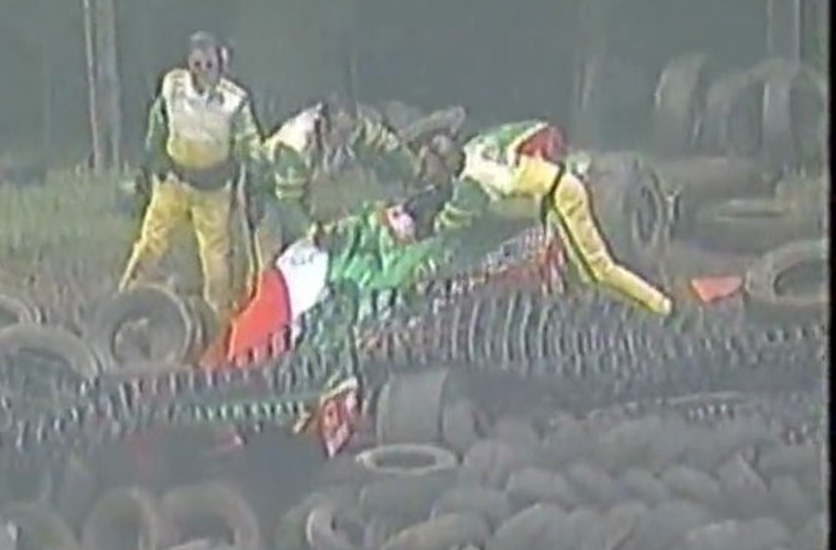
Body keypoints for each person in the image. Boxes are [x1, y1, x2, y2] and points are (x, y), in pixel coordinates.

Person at [201, 133, 468, 368]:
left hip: (314, 273)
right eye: (429, 151)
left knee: (251, 326)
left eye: (436, 159)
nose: (426, 159)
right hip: (307, 269)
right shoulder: (398, 183)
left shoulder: (421, 225)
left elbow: (380, 261)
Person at [434, 120, 673, 316]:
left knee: (599, 271)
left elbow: (452, 221)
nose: (428, 174)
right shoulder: (479, 147)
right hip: (561, 186)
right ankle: (648, 305)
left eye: (429, 167)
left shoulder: (469, 184)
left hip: (561, 197)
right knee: (585, 273)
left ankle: (660, 307)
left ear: (446, 163)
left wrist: (430, 224)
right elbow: (535, 130)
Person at [118, 31, 266, 318]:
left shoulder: (234, 101)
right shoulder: (173, 86)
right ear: (189, 63)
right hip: (174, 182)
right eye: (197, 65)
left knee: (216, 259)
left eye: (209, 65)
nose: (203, 72)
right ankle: (125, 301)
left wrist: (256, 181)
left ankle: (217, 318)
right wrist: (153, 162)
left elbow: (250, 144)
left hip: (214, 189)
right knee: (150, 242)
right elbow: (157, 124)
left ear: (221, 64)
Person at [264, 96, 425, 244]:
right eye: (341, 134)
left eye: (349, 133)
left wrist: (412, 166)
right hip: (269, 186)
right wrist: (313, 235)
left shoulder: (349, 126)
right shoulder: (294, 147)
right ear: (324, 125)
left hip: (314, 173)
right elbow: (288, 203)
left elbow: (382, 141)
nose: (346, 140)